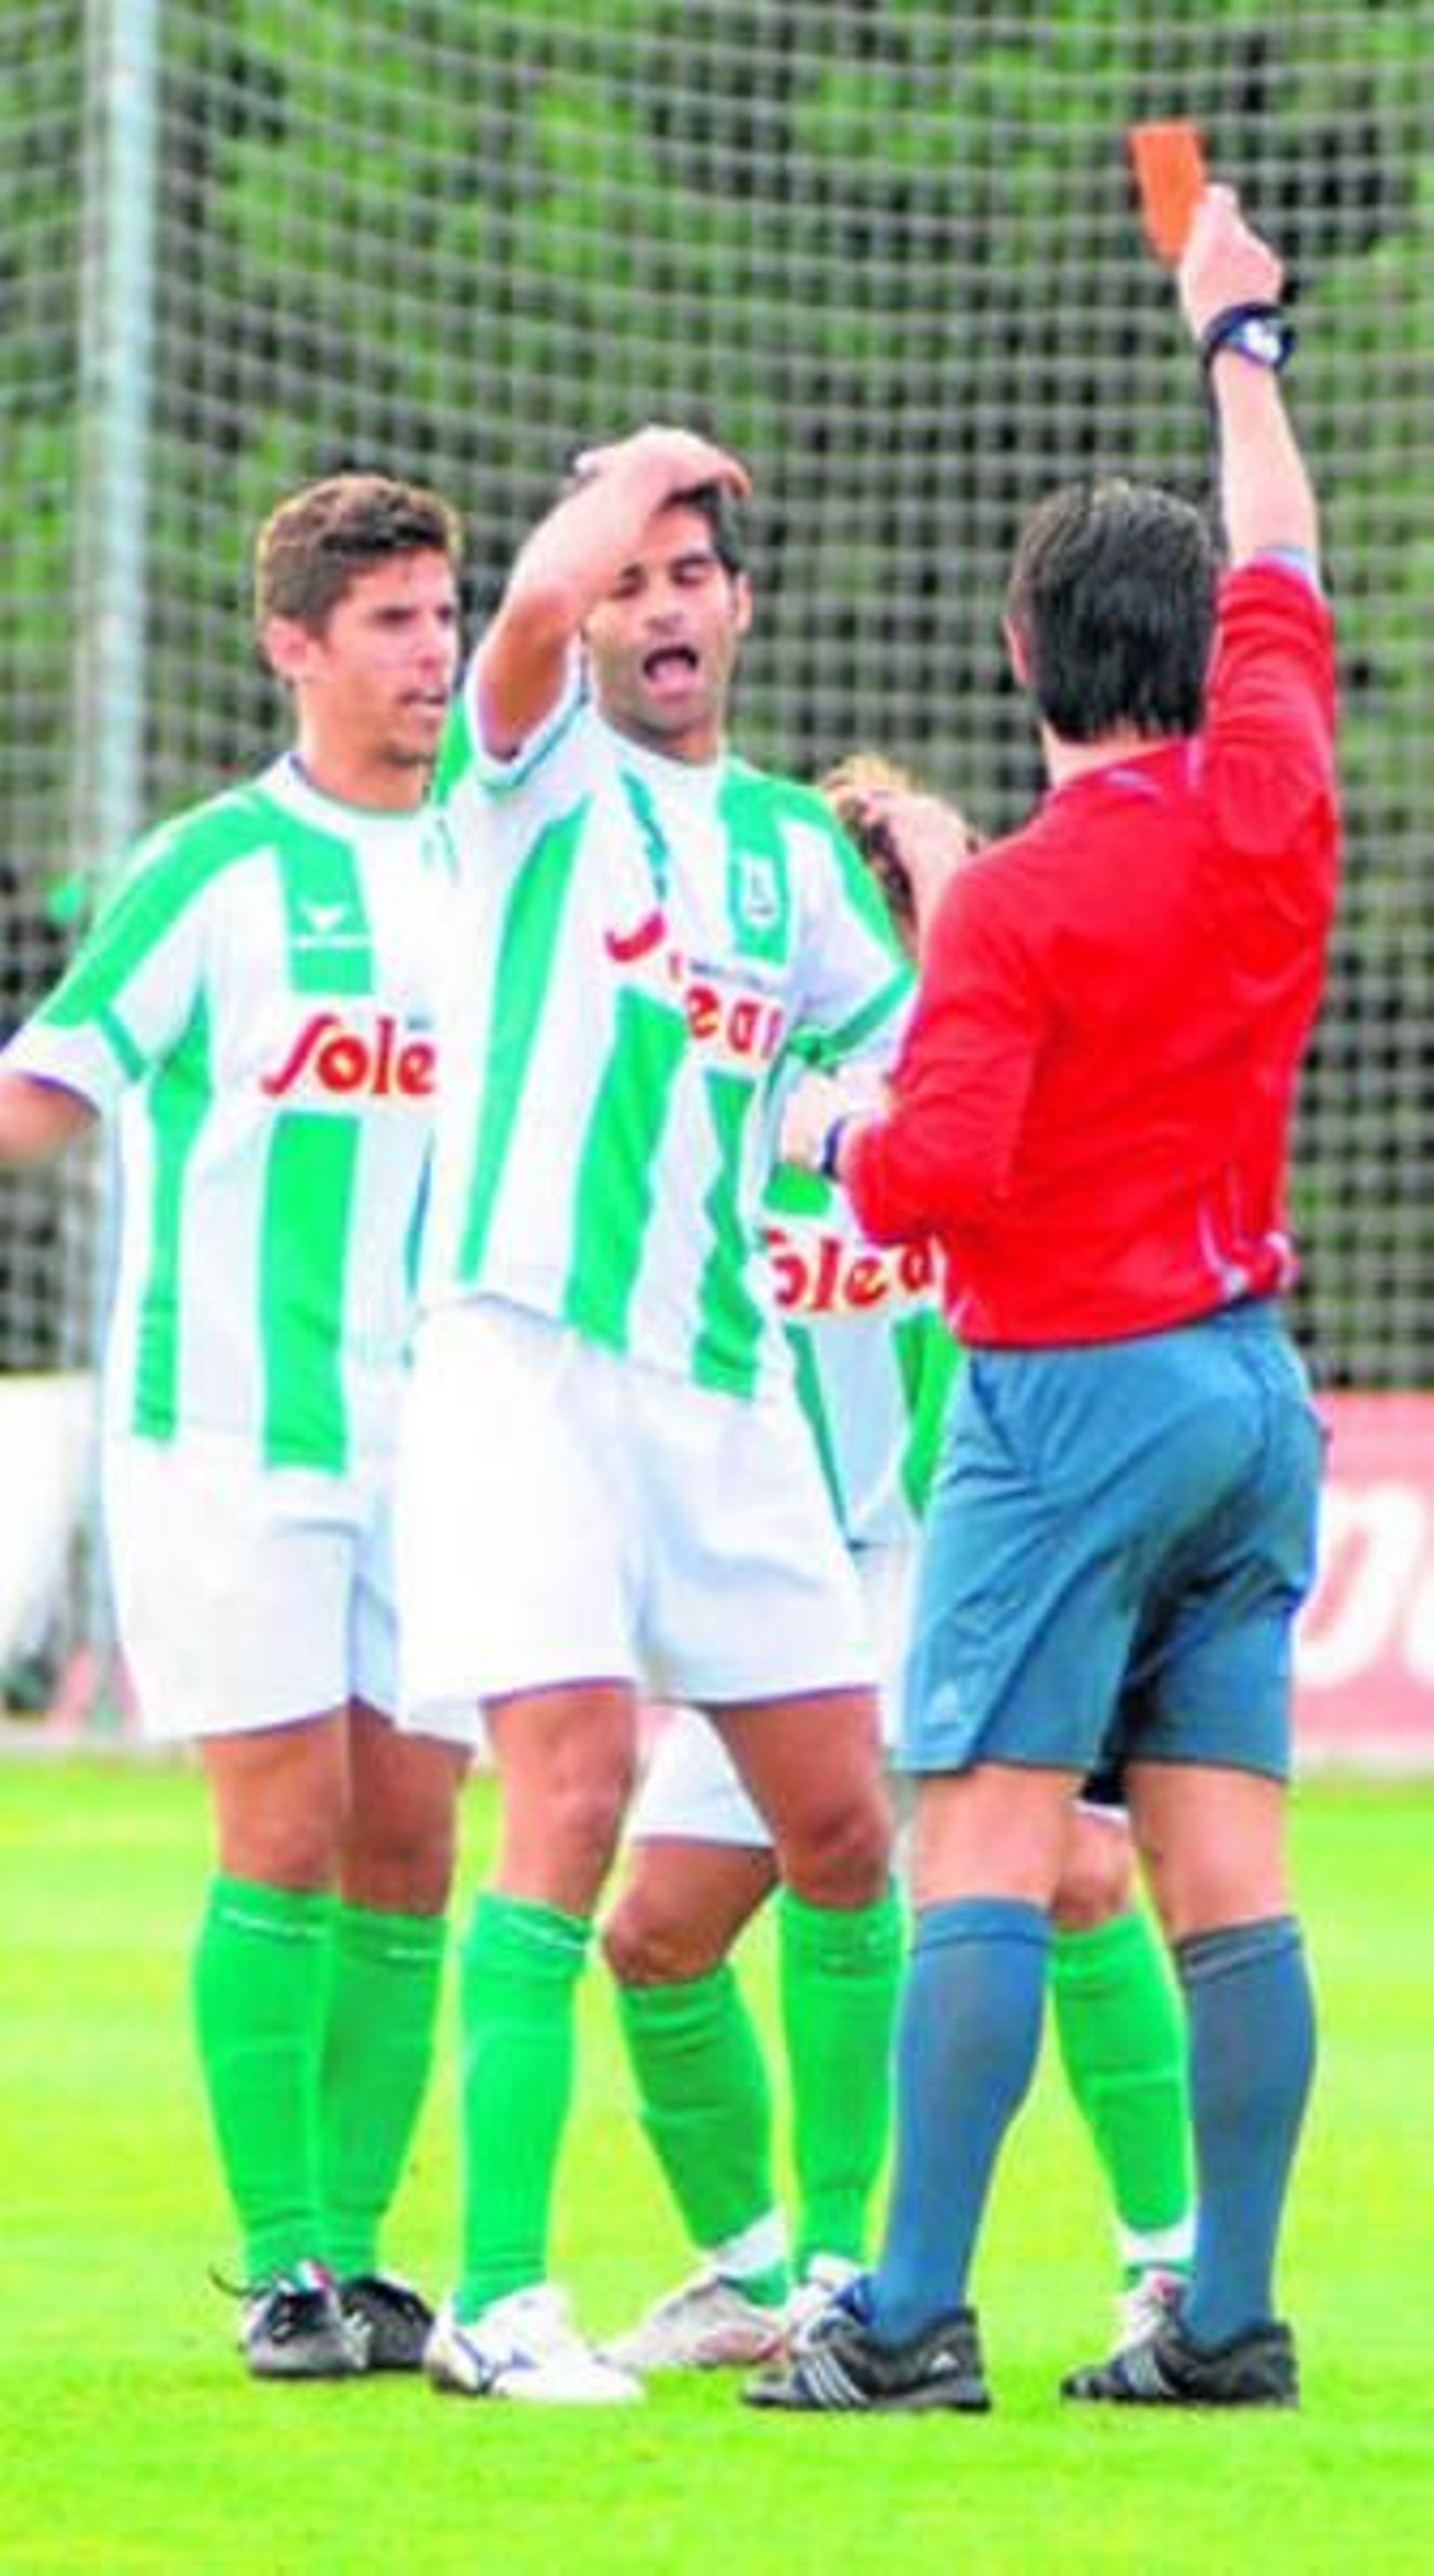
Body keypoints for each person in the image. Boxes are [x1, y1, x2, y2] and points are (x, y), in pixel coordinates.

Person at [754, 181, 1337, 2415]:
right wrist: (1232, 340)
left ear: (1018, 657)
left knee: (982, 1839)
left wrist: (833, 1121)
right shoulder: (1270, 797)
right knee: (1224, 1867)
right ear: (1201, 651)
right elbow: (1279, 550)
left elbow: (934, 1178)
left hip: (1066, 1392)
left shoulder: (1010, 907)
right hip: (1246, 1387)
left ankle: (903, 2313)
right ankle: (1222, 2316)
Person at [397, 426, 909, 2405]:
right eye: (633, 581)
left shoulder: (789, 848)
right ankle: (495, 2298)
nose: (658, 606)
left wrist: (861, 1122)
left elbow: (883, 1057)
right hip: (527, 1348)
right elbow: (525, 602)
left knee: (841, 1820)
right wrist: (640, 474)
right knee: (573, 1791)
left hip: (724, 1374)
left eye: (690, 575)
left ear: (739, 609)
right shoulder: (531, 777)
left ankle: (837, 2275)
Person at [600, 761, 1192, 2377]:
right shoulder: (719, 1099)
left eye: (894, 905)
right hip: (776, 1561)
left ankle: (1157, 2266)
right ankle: (750, 2270)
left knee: (1067, 1875)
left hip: (955, 1545)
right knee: (654, 1932)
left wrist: (953, 894)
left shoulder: (990, 1076)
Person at [0, 475, 471, 2380]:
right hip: (231, 1428)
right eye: (391, 622)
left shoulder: (494, 861)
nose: (432, 656)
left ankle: (359, 2254)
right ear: (294, 644)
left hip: (447, 1437)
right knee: (282, 1832)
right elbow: (46, 1088)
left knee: (414, 1845)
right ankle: (282, 2268)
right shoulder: (212, 870)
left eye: (445, 617)